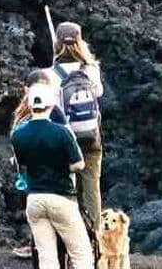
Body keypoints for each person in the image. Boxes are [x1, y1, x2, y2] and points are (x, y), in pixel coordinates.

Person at [12, 82, 93, 269]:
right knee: (81, 255)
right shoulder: (62, 132)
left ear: (30, 105)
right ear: (51, 105)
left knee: (46, 257)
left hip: (34, 199)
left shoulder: (18, 134)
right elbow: (79, 164)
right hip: (61, 197)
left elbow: (21, 163)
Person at [44, 21, 106, 252]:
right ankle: (96, 239)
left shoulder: (50, 74)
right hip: (91, 138)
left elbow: (50, 106)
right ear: (81, 43)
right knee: (91, 187)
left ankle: (67, 241)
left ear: (57, 44)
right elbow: (98, 94)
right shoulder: (92, 70)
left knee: (65, 189)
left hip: (63, 140)